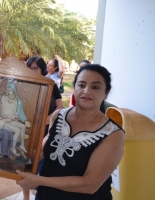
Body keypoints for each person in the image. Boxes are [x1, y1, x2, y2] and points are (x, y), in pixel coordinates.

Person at [16, 65, 125, 200]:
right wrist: (11, 159)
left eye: (95, 87)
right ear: (75, 88)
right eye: (81, 85)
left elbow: (90, 184)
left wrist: (39, 181)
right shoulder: (58, 116)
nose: (86, 91)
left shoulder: (113, 134)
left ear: (106, 92)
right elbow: (43, 150)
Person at [22, 56, 64, 200]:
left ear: (42, 69)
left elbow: (60, 106)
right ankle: (26, 197)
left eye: (35, 68)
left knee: (44, 166)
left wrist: (47, 120)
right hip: (27, 131)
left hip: (46, 132)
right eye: (30, 68)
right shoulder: (24, 85)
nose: (32, 71)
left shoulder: (51, 84)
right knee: (26, 167)